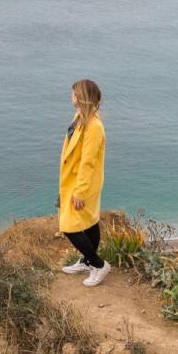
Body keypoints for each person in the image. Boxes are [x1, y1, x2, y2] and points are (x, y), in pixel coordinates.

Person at [58, 79, 110, 287]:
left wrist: (79, 191)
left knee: (69, 227)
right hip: (73, 180)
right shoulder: (80, 118)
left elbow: (88, 162)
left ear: (80, 97)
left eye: (73, 93)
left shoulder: (94, 127)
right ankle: (88, 261)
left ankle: (98, 264)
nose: (70, 96)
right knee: (89, 222)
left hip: (83, 183)